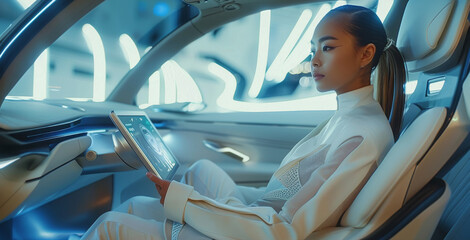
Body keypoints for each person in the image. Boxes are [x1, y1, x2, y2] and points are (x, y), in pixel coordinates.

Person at [80, 4, 406, 239]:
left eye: (328, 47)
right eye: (313, 49)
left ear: (366, 55)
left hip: (264, 231)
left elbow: (286, 231)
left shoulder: (362, 136)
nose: (315, 59)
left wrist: (188, 203)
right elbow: (285, 194)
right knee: (161, 191)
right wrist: (194, 201)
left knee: (112, 224)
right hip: (260, 216)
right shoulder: (350, 116)